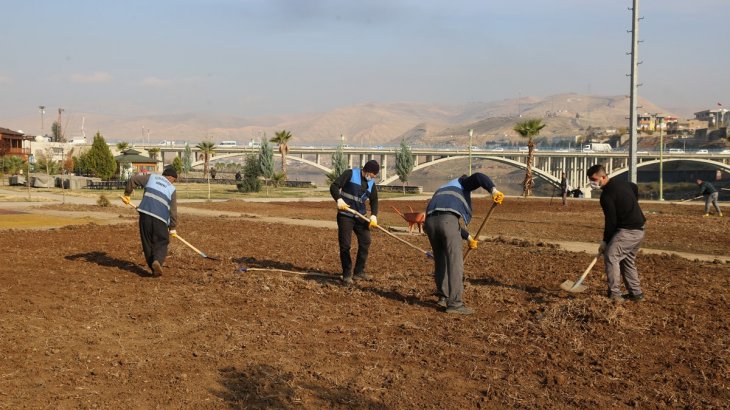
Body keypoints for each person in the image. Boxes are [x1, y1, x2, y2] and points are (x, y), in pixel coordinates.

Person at [424, 173, 504, 315]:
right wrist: (493, 190)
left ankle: (444, 297)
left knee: (441, 261)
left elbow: (447, 221)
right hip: (447, 220)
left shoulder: (442, 189)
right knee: (455, 262)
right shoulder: (462, 183)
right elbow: (479, 177)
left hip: (430, 222)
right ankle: (454, 303)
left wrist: (468, 238)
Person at [587, 164, 646, 303]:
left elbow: (611, 221)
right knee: (627, 260)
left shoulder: (606, 196)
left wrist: (605, 241)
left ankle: (615, 294)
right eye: (590, 179)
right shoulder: (623, 183)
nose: (592, 182)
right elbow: (634, 188)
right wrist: (631, 205)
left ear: (603, 177)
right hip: (640, 229)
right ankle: (636, 294)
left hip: (628, 231)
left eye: (594, 179)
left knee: (611, 256)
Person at [122, 166, 179, 277]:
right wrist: (172, 227)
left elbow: (133, 179)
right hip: (161, 218)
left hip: (145, 214)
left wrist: (127, 194)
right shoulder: (172, 189)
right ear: (172, 178)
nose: (174, 182)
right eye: (174, 180)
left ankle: (153, 269)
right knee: (162, 241)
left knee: (147, 242)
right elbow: (173, 210)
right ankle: (157, 261)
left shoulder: (151, 178)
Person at [329, 160, 380, 285]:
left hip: (360, 217)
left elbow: (374, 200)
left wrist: (373, 215)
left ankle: (358, 271)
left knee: (366, 241)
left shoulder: (371, 184)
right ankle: (347, 274)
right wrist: (339, 199)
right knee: (345, 245)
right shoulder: (350, 174)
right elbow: (334, 186)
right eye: (373, 174)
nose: (374, 176)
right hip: (345, 215)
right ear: (367, 170)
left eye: (375, 175)